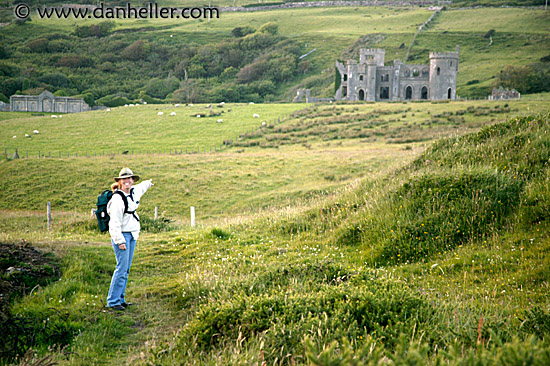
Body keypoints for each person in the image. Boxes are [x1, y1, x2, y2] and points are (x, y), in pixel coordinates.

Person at [106, 167, 153, 311]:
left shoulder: (133, 192)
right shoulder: (117, 199)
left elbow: (142, 187)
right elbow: (114, 223)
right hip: (122, 235)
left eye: (130, 178)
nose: (127, 181)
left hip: (132, 235)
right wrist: (119, 241)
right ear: (119, 182)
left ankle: (121, 299)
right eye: (124, 179)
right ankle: (113, 301)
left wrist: (150, 183)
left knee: (126, 269)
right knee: (121, 268)